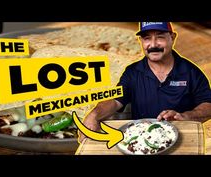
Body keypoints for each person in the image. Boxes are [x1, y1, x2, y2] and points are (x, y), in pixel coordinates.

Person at [79, 22, 211, 142]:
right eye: (147, 38)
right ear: (141, 41)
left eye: (160, 37)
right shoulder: (132, 72)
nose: (153, 45)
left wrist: (184, 116)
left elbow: (208, 106)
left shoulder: (191, 72)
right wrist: (94, 115)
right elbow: (115, 101)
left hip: (183, 142)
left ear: (172, 37)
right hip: (141, 143)